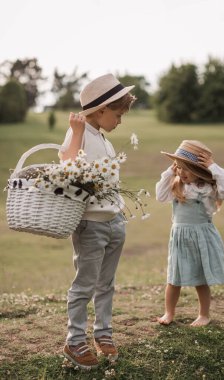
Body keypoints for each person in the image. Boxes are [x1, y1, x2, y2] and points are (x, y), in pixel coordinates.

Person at [59, 74, 136, 369]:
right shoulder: (78, 133)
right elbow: (67, 167)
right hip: (91, 224)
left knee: (107, 284)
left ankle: (103, 333)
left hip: (113, 221)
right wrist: (76, 132)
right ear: (101, 111)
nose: (120, 121)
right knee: (85, 285)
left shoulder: (103, 139)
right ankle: (75, 340)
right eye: (117, 115)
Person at [156, 140, 224, 327]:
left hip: (201, 236)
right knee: (173, 278)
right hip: (179, 238)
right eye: (179, 167)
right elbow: (160, 196)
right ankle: (168, 313)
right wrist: (170, 171)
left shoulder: (208, 189)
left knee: (201, 279)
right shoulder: (177, 186)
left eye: (187, 169)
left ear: (199, 169)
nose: (181, 173)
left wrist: (212, 166)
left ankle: (204, 315)